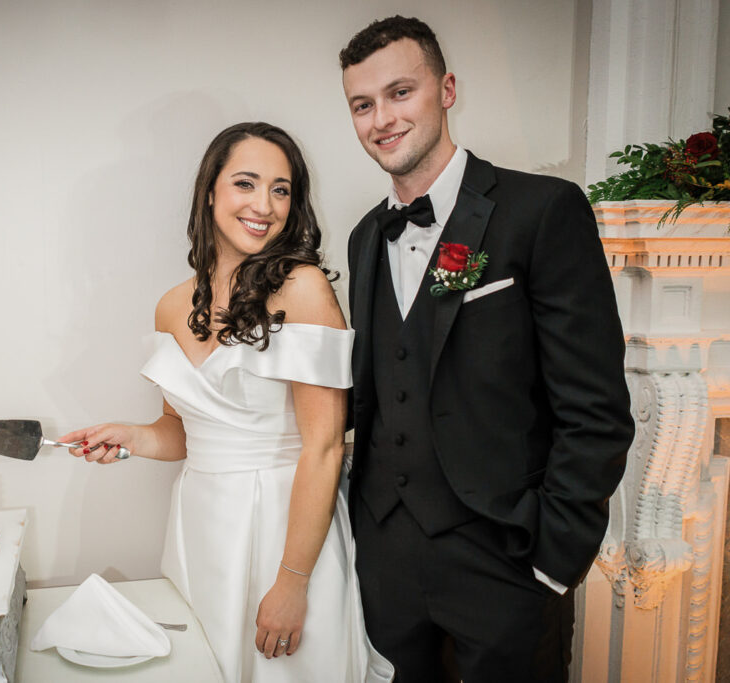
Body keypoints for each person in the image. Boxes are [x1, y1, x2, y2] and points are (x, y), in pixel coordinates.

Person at [338, 16, 635, 683]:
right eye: (363, 104)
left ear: (446, 89)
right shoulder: (363, 239)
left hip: (504, 561)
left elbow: (595, 409)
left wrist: (553, 557)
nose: (382, 118)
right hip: (384, 558)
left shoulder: (542, 210)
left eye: (400, 92)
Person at [59, 122, 393, 683]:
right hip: (200, 527)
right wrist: (134, 437)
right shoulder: (171, 306)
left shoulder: (303, 288)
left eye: (281, 189)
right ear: (210, 190)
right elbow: (183, 432)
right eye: (246, 183)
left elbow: (325, 447)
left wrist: (291, 582)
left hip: (285, 528)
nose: (264, 204)